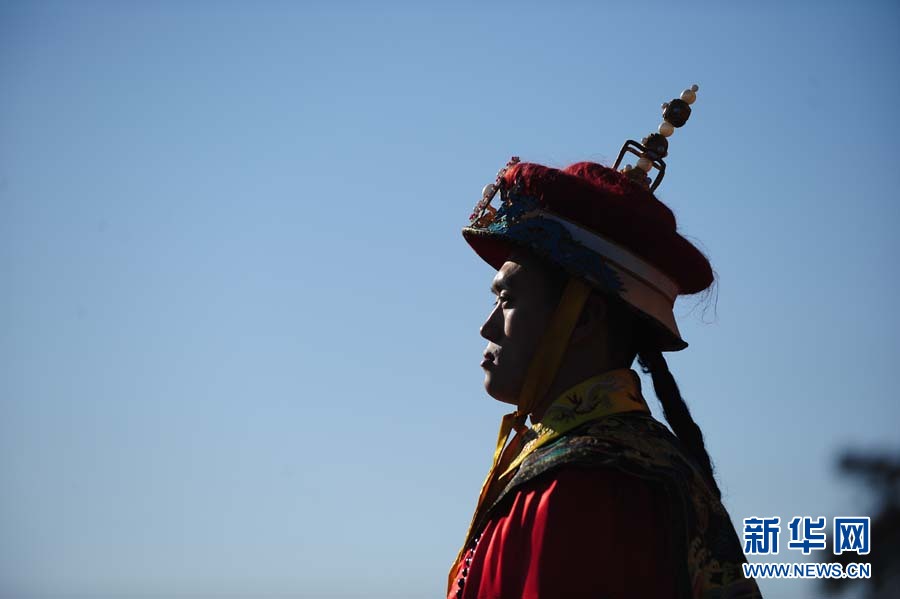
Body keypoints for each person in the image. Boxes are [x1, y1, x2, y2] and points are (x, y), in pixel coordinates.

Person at [446, 87, 763, 598]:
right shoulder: (619, 468)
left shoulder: (582, 489)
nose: (488, 327)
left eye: (507, 300)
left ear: (585, 318)